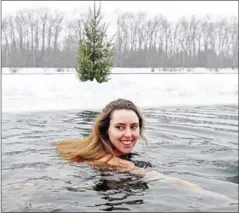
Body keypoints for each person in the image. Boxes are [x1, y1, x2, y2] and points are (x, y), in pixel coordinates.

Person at [55, 98, 234, 201]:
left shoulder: (85, 148)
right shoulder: (113, 162)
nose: (129, 134)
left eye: (134, 127)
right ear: (105, 129)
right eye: (119, 127)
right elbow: (160, 179)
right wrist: (214, 196)